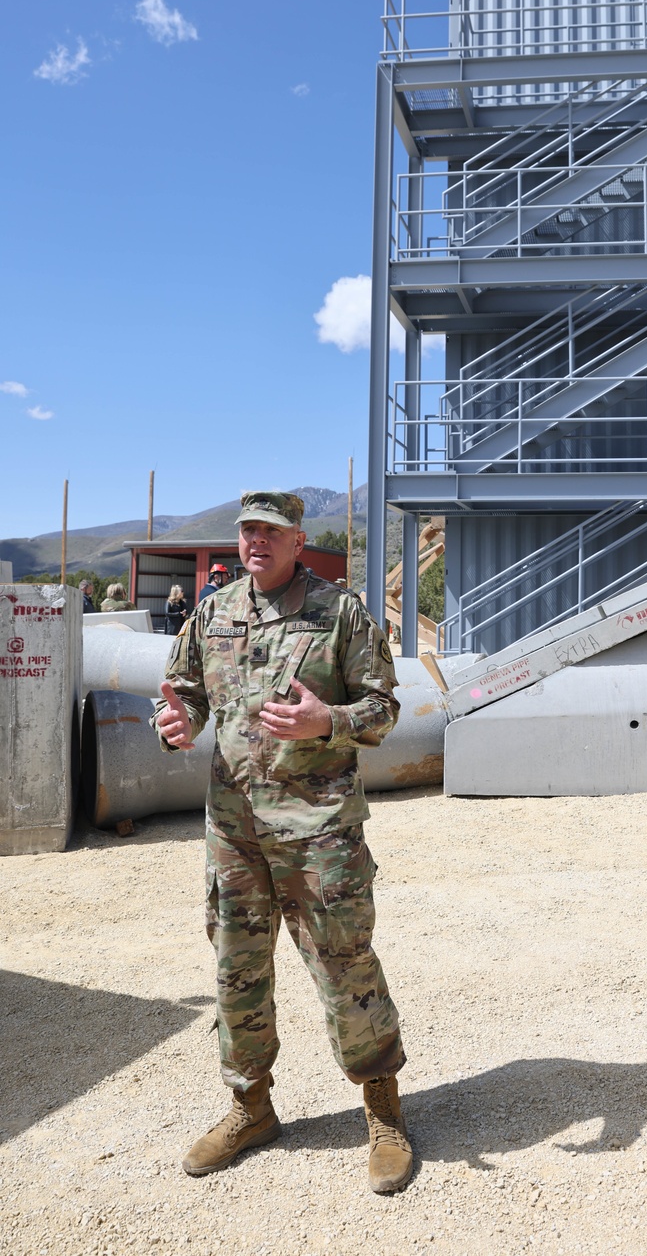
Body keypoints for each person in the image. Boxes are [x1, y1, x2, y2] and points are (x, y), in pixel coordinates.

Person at [153, 491, 411, 1194]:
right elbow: (183, 690)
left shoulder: (342, 612)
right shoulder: (213, 610)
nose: (255, 541)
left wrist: (327, 719)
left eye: (270, 531)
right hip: (235, 834)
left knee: (345, 967)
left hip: (319, 833)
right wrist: (175, 721)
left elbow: (385, 707)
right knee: (238, 972)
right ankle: (250, 1106)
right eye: (246, 530)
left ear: (299, 540)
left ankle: (383, 1106)